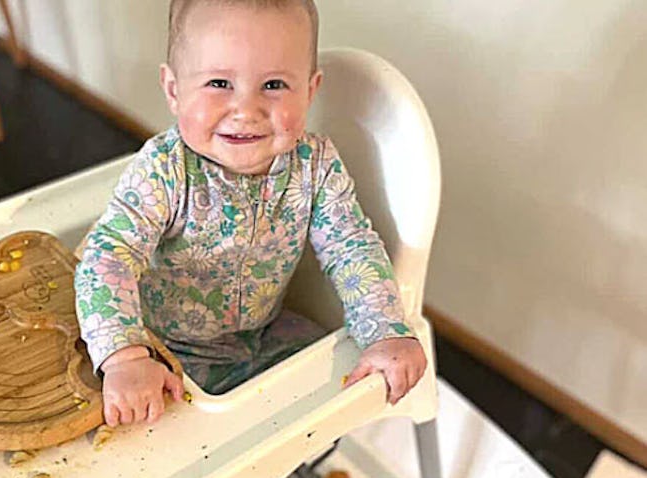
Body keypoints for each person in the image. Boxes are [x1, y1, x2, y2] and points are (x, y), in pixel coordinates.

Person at [74, 0, 427, 428]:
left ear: (310, 91)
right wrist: (124, 356)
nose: (246, 109)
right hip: (164, 345)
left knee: (329, 406)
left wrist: (386, 328)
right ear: (173, 90)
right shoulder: (165, 171)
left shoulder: (315, 166)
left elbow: (350, 248)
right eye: (220, 82)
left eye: (274, 85)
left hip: (264, 331)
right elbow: (108, 255)